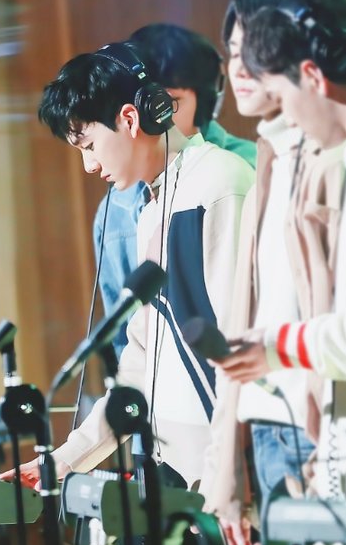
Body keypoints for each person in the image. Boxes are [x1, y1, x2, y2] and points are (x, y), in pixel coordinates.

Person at [0, 38, 254, 492]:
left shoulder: (219, 184)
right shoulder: (151, 210)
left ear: (131, 119)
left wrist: (232, 471)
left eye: (89, 145)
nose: (89, 166)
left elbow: (236, 344)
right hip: (175, 469)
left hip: (225, 470)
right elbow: (141, 360)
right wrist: (65, 460)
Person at [205, 0, 346, 545]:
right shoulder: (286, 158)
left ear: (308, 73)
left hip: (327, 419)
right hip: (299, 424)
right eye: (233, 55)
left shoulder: (344, 159)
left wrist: (278, 347)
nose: (241, 72)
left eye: (258, 63)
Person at [93, 23, 256, 361]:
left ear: (205, 100)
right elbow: (125, 337)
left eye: (172, 102)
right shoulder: (114, 212)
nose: (158, 117)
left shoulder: (249, 168)